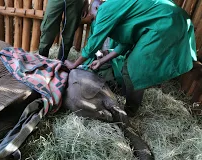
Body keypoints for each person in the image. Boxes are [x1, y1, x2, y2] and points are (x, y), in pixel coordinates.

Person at [64, 0, 197, 117]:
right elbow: (125, 43)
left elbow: (94, 43)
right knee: (134, 67)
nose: (94, 21)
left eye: (92, 17)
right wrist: (101, 60)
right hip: (172, 19)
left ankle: (130, 112)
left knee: (133, 70)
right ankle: (133, 102)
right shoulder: (120, 10)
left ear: (98, 8)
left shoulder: (105, 9)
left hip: (166, 22)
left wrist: (74, 64)